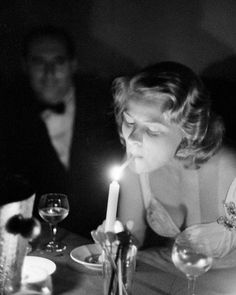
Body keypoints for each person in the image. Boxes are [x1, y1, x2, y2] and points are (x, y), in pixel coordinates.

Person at [95, 61, 236, 294]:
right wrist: (117, 239)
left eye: (152, 130)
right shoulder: (136, 163)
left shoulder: (232, 171)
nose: (133, 139)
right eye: (129, 122)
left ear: (189, 130)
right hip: (165, 272)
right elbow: (133, 237)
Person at [6, 25, 122, 239]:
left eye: (58, 61)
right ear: (25, 65)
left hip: (97, 234)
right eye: (39, 61)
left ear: (72, 64)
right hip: (37, 235)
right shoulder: (10, 112)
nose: (49, 72)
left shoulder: (104, 105)